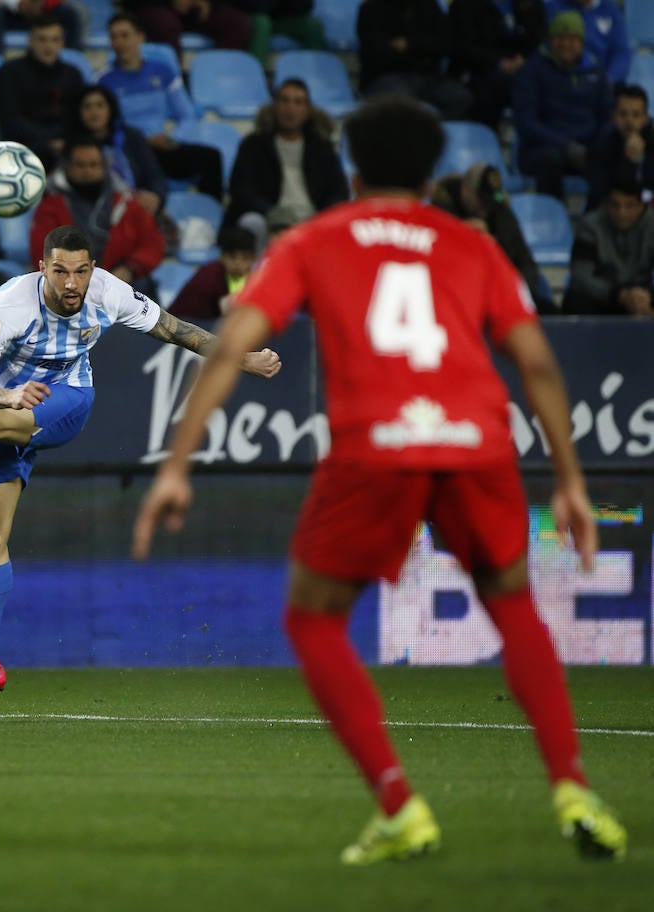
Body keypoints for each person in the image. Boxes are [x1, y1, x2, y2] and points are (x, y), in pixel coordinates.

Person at [131, 96, 628, 864]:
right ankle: (571, 787)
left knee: (313, 619)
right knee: (513, 605)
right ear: (431, 178)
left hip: (376, 448)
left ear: (354, 171)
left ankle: (401, 805)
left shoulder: (315, 240)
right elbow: (534, 362)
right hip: (476, 443)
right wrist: (570, 479)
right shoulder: (471, 244)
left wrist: (177, 465)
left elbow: (235, 340)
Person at [0, 225, 282, 719]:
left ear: (93, 269)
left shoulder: (109, 294)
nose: (72, 282)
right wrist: (6, 394)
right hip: (16, 409)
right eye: (60, 271)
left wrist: (241, 358)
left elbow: (174, 329)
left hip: (69, 402)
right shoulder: (10, 304)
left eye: (81, 270)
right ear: (42, 269)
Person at [97, 13, 223, 201]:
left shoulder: (163, 72)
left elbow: (186, 114)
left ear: (140, 37)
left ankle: (210, 217)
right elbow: (106, 125)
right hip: (128, 149)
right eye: (114, 37)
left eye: (125, 35)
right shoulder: (103, 80)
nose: (119, 42)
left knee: (211, 157)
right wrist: (143, 140)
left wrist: (173, 139)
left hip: (162, 146)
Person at [31, 136, 168, 297]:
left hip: (122, 283)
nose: (87, 171)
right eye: (80, 165)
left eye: (94, 165)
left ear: (104, 167)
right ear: (66, 167)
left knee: (143, 287)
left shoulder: (127, 203)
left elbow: (152, 244)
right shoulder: (49, 207)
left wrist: (129, 268)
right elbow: (42, 253)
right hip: (69, 286)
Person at [226, 78, 349, 251]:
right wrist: (273, 214)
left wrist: (321, 216)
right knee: (251, 222)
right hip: (269, 218)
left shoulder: (322, 148)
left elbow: (339, 191)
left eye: (298, 102)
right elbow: (241, 190)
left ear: (307, 111)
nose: (290, 108)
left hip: (311, 219)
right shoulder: (253, 145)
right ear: (275, 106)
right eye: (284, 100)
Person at [512, 11, 611, 200]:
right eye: (560, 38)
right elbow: (526, 123)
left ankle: (592, 222)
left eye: (572, 39)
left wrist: (598, 146)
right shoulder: (531, 71)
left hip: (586, 147)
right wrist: (565, 146)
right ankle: (551, 218)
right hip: (543, 148)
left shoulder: (595, 72)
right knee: (551, 160)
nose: (566, 44)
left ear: (581, 42)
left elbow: (607, 115)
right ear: (550, 40)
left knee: (611, 159)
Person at [430, 162, 554, 312]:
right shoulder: (441, 208)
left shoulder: (498, 207)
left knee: (547, 309)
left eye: (489, 200)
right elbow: (437, 255)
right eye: (481, 199)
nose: (485, 206)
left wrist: (517, 290)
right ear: (465, 190)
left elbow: (523, 258)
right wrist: (465, 232)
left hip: (497, 288)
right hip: (456, 288)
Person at [0, 14, 85, 171]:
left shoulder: (73, 75)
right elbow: (9, 121)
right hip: (23, 148)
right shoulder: (8, 73)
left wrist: (62, 141)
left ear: (62, 42)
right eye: (42, 39)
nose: (48, 46)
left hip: (65, 147)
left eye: (54, 40)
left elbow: (77, 117)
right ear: (30, 41)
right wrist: (47, 142)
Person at [356, 0, 472, 121]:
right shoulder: (371, 8)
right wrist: (423, 53)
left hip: (428, 77)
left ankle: (439, 136)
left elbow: (445, 45)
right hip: (385, 77)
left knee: (460, 97)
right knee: (402, 100)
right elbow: (376, 52)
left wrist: (410, 45)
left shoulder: (429, 6)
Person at [71, 84, 172, 217]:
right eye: (87, 107)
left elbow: (155, 176)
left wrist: (155, 196)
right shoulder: (72, 145)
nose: (94, 112)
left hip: (138, 207)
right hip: (92, 213)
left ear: (110, 109)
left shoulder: (132, 137)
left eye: (100, 105)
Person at [446, 0, 546, 129]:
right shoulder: (465, 5)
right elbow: (462, 48)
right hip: (477, 72)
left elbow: (538, 41)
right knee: (496, 86)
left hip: (522, 69)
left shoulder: (530, 5)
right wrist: (499, 63)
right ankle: (485, 138)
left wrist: (524, 62)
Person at [564, 177, 654, 317]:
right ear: (606, 204)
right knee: (577, 300)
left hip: (642, 295)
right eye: (615, 205)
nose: (621, 212)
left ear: (642, 206)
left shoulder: (652, 225)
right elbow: (581, 276)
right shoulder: (589, 226)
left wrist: (648, 296)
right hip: (604, 296)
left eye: (629, 206)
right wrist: (619, 295)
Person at [586, 83, 654, 212]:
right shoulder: (600, 148)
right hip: (610, 215)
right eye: (623, 114)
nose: (629, 121)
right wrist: (630, 161)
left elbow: (649, 189)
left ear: (645, 118)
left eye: (636, 115)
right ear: (614, 117)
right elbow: (603, 193)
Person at [168, 224, 256, 320]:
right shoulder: (208, 278)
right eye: (232, 257)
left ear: (253, 259)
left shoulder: (255, 278)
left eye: (245, 258)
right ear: (222, 256)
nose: (238, 264)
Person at [545, 0, 630, 85]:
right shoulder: (551, 8)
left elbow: (621, 52)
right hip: (558, 79)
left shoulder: (611, 10)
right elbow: (544, 49)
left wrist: (610, 80)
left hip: (600, 82)